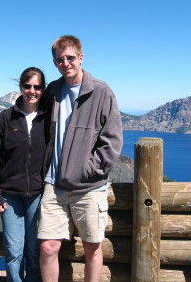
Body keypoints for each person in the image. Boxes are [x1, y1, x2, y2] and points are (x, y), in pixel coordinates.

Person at [38, 35, 123, 282]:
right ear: (55, 63)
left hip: (89, 188)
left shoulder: (101, 91)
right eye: (59, 59)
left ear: (81, 57)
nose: (65, 63)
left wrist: (88, 170)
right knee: (47, 247)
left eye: (70, 58)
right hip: (54, 185)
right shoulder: (53, 90)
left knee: (92, 248)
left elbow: (113, 141)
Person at [0, 67, 50, 282]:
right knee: (13, 250)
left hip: (37, 195)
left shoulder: (49, 119)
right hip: (9, 196)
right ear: (20, 88)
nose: (32, 91)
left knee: (34, 249)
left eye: (37, 87)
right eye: (27, 86)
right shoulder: (5, 119)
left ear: (43, 89)